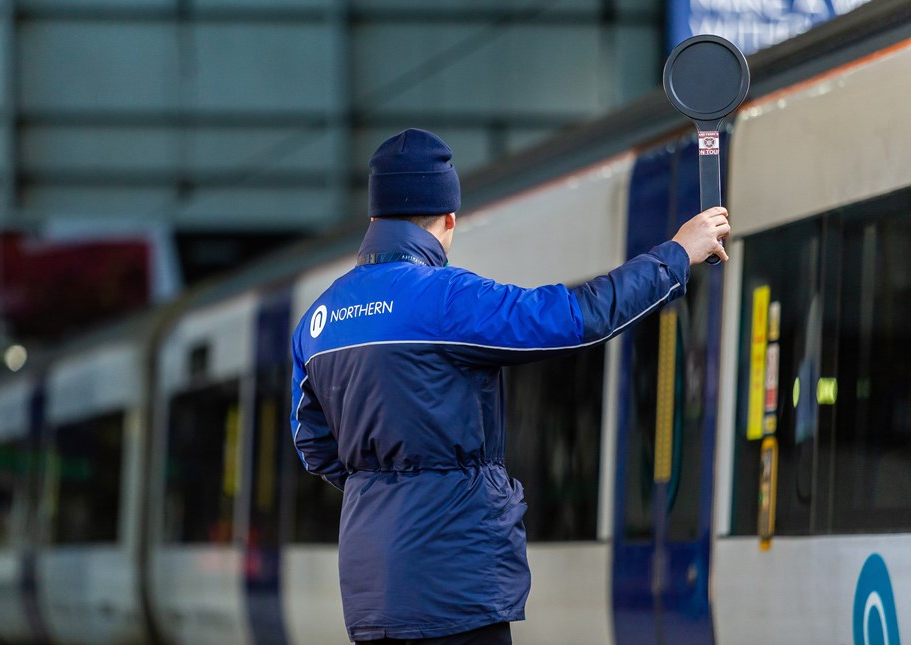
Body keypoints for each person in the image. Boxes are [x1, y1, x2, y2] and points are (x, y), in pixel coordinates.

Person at [290, 128, 728, 644]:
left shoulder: (320, 319)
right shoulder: (447, 300)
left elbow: (314, 446)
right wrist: (676, 255)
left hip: (370, 593)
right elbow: (575, 319)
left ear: (373, 218)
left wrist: (385, 488)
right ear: (448, 219)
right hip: (456, 584)